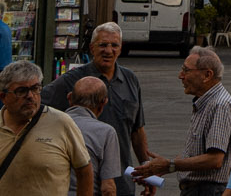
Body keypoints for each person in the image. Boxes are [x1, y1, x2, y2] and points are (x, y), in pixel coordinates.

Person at [0, 60, 93, 196]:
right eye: (21, 91)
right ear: (3, 97)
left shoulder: (61, 123)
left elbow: (84, 170)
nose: (30, 96)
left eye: (35, 88)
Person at [44, 23, 151, 196]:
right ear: (92, 48)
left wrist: (147, 169)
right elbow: (37, 106)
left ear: (120, 48)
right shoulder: (73, 80)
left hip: (120, 180)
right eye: (103, 45)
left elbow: (137, 131)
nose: (108, 50)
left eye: (114, 45)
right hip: (80, 181)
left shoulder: (130, 80)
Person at [132, 47, 231, 196]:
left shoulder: (219, 104)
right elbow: (196, 152)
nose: (180, 76)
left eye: (186, 71)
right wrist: (163, 168)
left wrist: (171, 165)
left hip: (207, 190)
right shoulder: (205, 102)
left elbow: (215, 159)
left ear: (207, 75)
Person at [63, 75, 118, 196]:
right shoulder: (106, 132)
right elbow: (108, 188)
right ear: (103, 103)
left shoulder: (49, 124)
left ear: (70, 98)